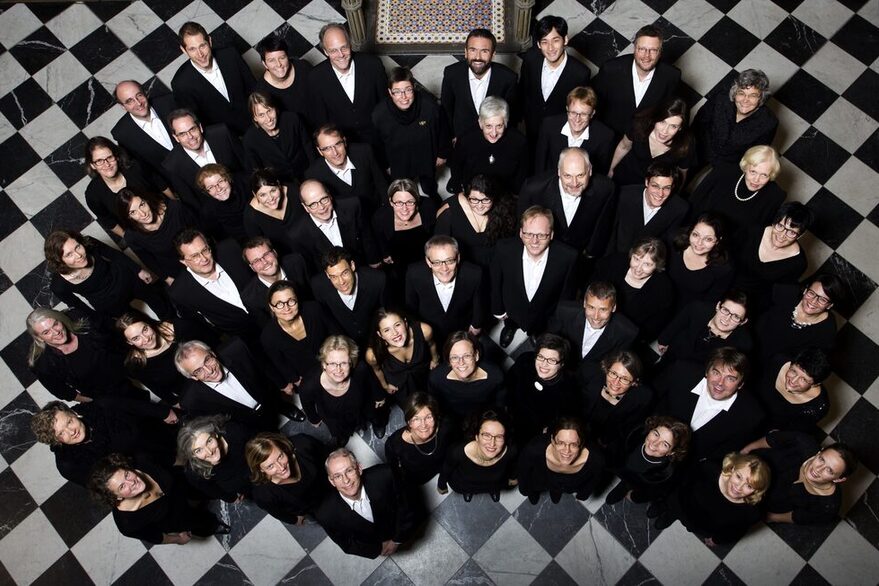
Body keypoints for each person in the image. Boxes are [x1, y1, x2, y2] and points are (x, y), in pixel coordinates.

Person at [89, 453, 228, 544]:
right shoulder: (127, 523)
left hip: (179, 487)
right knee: (200, 522)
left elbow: (173, 460)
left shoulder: (141, 459)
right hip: (175, 517)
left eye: (126, 475)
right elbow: (155, 536)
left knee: (203, 491)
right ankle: (211, 525)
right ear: (116, 497)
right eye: (122, 487)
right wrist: (178, 539)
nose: (132, 482)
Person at [26, 308, 155, 405]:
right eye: (46, 332)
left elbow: (110, 327)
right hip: (107, 390)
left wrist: (134, 349)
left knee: (156, 380)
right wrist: (96, 400)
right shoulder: (43, 364)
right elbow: (62, 391)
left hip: (124, 361)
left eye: (55, 324)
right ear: (39, 338)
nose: (56, 332)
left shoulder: (78, 317)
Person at [31, 400, 175, 487]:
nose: (71, 431)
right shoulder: (69, 465)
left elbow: (134, 406)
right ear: (56, 441)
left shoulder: (100, 407)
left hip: (160, 440)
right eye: (61, 433)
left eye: (69, 422)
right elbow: (103, 487)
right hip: (144, 477)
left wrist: (165, 413)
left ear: (74, 413)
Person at [491, 205, 578, 347]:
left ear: (551, 235)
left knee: (539, 328)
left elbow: (567, 294)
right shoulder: (504, 249)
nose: (534, 241)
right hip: (512, 309)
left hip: (544, 314)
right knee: (511, 321)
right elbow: (496, 282)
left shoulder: (568, 257)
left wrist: (556, 322)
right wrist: (498, 310)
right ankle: (510, 327)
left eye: (541, 235)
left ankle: (536, 333)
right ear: (520, 233)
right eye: (528, 234)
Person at [314, 448, 425, 558]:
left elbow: (408, 506)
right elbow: (348, 545)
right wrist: (378, 549)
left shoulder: (386, 475)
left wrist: (397, 540)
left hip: (397, 529)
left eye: (349, 471)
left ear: (359, 468)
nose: (346, 480)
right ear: (331, 481)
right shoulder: (325, 514)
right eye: (337, 476)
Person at [659, 348, 764, 461]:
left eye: (730, 378)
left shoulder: (750, 416)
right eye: (716, 372)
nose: (720, 383)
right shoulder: (681, 372)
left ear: (740, 384)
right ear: (707, 371)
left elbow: (721, 455)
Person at [45, 229, 172, 320]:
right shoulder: (58, 285)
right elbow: (78, 305)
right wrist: (99, 319)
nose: (78, 255)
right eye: (69, 254)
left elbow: (114, 254)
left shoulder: (89, 242)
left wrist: (138, 270)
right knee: (136, 325)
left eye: (77, 247)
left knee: (160, 303)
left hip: (126, 279)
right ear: (59, 260)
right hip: (109, 303)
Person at [175, 338, 306, 427]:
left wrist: (282, 384)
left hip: (266, 395)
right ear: (193, 377)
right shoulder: (191, 401)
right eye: (198, 371)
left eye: (207, 360)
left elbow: (265, 365)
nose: (209, 371)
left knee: (273, 400)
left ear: (213, 353)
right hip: (247, 422)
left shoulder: (238, 348)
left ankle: (284, 407)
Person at [653, 452, 770, 546]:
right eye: (739, 476)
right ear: (732, 468)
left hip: (700, 525)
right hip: (682, 502)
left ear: (756, 491)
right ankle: (668, 511)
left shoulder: (751, 513)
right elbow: (685, 482)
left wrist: (716, 540)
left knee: (691, 524)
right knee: (674, 505)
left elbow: (734, 532)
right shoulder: (709, 469)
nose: (739, 487)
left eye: (749, 486)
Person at [518, 147, 616, 258]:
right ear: (559, 172)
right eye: (568, 176)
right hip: (543, 253)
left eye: (580, 175)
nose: (574, 183)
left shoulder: (605, 189)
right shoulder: (533, 189)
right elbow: (522, 226)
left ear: (590, 171)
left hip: (580, 257)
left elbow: (602, 226)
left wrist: (590, 253)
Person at [371, 67, 451, 201]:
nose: (403, 97)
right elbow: (377, 143)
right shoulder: (379, 114)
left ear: (414, 88)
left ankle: (430, 190)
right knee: (405, 189)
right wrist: (385, 165)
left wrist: (442, 154)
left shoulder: (430, 107)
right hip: (398, 159)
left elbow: (443, 131)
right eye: (397, 92)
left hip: (425, 154)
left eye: (408, 90)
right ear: (390, 92)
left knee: (428, 182)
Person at [744, 432, 857, 526]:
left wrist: (769, 516)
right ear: (819, 452)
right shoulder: (803, 441)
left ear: (839, 479)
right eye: (822, 459)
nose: (818, 469)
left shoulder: (828, 506)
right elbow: (771, 439)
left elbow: (797, 517)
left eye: (829, 470)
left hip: (761, 505)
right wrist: (745, 451)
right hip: (748, 471)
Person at [167, 229, 258, 340]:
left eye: (205, 250)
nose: (204, 259)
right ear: (184, 262)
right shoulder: (180, 292)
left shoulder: (231, 249)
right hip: (243, 341)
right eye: (195, 256)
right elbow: (201, 326)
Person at [592, 25, 681, 138]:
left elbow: (671, 112)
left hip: (644, 138)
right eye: (642, 49)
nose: (646, 56)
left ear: (660, 52)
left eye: (653, 50)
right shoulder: (610, 69)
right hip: (608, 134)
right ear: (634, 48)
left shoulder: (671, 76)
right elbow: (595, 105)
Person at [299, 335, 387, 446]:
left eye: (344, 363)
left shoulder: (360, 368)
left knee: (374, 413)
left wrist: (379, 396)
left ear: (351, 362)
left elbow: (371, 380)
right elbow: (307, 404)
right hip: (335, 416)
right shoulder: (309, 385)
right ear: (323, 364)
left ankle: (378, 423)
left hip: (362, 404)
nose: (338, 369)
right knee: (340, 430)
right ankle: (342, 435)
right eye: (332, 363)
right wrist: (314, 419)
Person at [171, 21, 255, 135]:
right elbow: (197, 124)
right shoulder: (180, 83)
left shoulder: (231, 55)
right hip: (227, 140)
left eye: (202, 45)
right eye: (192, 49)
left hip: (256, 123)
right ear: (184, 50)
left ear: (210, 41)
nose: (200, 54)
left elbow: (253, 88)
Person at [308, 23, 388, 144]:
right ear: (325, 52)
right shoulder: (315, 78)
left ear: (350, 44)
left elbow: (385, 103)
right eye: (333, 50)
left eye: (344, 47)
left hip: (377, 139)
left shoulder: (373, 65)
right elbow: (321, 120)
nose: (341, 55)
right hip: (344, 146)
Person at [518, 16, 591, 142]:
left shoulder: (580, 73)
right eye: (544, 42)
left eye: (555, 40)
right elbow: (523, 89)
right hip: (531, 129)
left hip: (559, 134)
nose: (550, 48)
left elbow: (580, 109)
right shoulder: (531, 59)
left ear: (565, 40)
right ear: (538, 44)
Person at [690, 145, 786, 242]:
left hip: (729, 247)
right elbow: (695, 201)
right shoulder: (724, 170)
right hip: (695, 233)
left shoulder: (775, 196)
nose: (756, 179)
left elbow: (756, 235)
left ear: (771, 175)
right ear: (745, 167)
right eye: (753, 171)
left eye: (764, 175)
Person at [549, 281, 639, 384]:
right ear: (584, 303)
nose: (596, 317)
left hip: (592, 379)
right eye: (591, 307)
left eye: (603, 309)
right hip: (558, 368)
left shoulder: (627, 332)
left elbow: (614, 366)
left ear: (613, 308)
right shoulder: (564, 311)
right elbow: (549, 343)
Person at [83, 136, 170, 241]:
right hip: (143, 236)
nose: (106, 164)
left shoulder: (135, 169)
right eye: (99, 161)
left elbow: (160, 183)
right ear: (92, 165)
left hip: (165, 217)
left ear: (117, 157)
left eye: (109, 157)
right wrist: (129, 237)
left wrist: (174, 204)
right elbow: (107, 220)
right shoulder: (93, 194)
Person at [117, 310, 210, 408]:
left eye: (145, 329)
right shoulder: (136, 364)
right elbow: (159, 390)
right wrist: (179, 404)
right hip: (195, 396)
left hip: (214, 374)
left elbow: (215, 344)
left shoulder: (180, 328)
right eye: (136, 338)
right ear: (129, 342)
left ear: (149, 323)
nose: (146, 339)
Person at [261, 280, 340, 394]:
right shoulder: (268, 336)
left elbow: (337, 334)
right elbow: (280, 363)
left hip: (335, 362)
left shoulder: (314, 309)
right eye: (279, 304)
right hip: (309, 377)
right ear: (271, 307)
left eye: (291, 301)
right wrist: (296, 379)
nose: (286, 308)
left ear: (297, 300)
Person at [404, 235, 485, 346]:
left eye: (450, 261)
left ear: (458, 258)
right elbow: (411, 306)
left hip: (461, 328)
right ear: (428, 261)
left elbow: (479, 302)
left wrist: (476, 324)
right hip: (429, 331)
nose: (444, 268)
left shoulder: (474, 274)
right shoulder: (414, 274)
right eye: (436, 262)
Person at [441, 28, 518, 141]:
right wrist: (451, 137)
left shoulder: (508, 78)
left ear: (493, 54)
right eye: (473, 50)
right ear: (466, 52)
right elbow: (446, 110)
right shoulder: (451, 73)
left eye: (484, 51)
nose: (478, 57)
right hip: (461, 141)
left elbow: (512, 118)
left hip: (493, 141)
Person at [593, 237, 675, 341]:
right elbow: (590, 290)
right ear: (631, 255)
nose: (638, 268)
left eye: (647, 264)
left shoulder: (663, 288)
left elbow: (653, 327)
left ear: (657, 266)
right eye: (636, 259)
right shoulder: (614, 262)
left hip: (625, 338)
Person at [733, 202, 811, 311]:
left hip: (752, 304)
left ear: (800, 235)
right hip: (724, 283)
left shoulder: (798, 263)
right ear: (774, 222)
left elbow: (775, 294)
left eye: (792, 232)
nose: (782, 235)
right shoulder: (752, 231)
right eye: (780, 226)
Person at [693, 69, 778, 169]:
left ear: (761, 98)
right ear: (734, 93)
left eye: (753, 95)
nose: (745, 100)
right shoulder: (720, 98)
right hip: (702, 148)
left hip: (731, 164)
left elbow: (755, 154)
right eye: (741, 93)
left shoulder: (769, 123)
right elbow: (700, 121)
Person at [161, 108, 246, 206]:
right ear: (176, 138)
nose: (190, 136)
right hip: (216, 214)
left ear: (200, 127)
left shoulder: (222, 133)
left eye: (192, 129)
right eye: (182, 134)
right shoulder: (172, 165)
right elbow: (191, 202)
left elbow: (247, 165)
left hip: (245, 195)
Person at [505, 333, 581, 443]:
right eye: (541, 357)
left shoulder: (569, 391)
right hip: (509, 414)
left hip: (532, 432)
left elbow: (561, 423)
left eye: (552, 360)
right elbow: (508, 384)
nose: (544, 364)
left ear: (562, 364)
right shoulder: (525, 361)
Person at [292, 179, 381, 271]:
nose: (321, 207)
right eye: (313, 204)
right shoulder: (298, 234)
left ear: (330, 196)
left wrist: (374, 260)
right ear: (305, 207)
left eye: (324, 199)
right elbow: (312, 267)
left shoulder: (352, 206)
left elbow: (366, 235)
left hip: (362, 266)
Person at [448, 96, 528, 195]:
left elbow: (521, 178)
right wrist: (460, 195)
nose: (494, 133)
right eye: (488, 126)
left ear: (506, 123)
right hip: (473, 196)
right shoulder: (466, 140)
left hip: (505, 196)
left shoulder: (519, 142)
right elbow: (456, 170)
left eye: (499, 126)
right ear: (480, 123)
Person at [245, 432, 331, 525]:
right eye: (270, 466)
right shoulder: (263, 495)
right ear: (260, 469)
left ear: (283, 448)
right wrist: (293, 520)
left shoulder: (303, 443)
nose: (281, 468)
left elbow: (328, 456)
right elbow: (277, 512)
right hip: (311, 509)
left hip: (329, 485)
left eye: (280, 456)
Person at [656, 291, 753, 372]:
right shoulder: (697, 309)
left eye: (736, 317)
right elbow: (675, 326)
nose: (727, 318)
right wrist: (664, 341)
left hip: (697, 376)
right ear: (718, 306)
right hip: (672, 358)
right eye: (725, 310)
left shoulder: (742, 344)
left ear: (743, 321)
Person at [582, 351, 653, 462]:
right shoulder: (591, 377)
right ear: (606, 370)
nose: (616, 382)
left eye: (624, 379)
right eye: (613, 373)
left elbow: (625, 433)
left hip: (604, 447)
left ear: (634, 382)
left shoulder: (641, 398)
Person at [118, 188, 199, 284]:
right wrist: (168, 279)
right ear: (129, 217)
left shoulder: (175, 209)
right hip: (178, 274)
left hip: (200, 257)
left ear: (147, 200)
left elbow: (200, 230)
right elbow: (149, 261)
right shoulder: (132, 237)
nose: (142, 214)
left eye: (142, 205)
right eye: (133, 212)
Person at [608, 97, 695, 186]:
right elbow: (624, 146)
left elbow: (682, 173)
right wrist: (611, 169)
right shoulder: (639, 125)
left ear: (680, 128)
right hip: (622, 176)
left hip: (651, 190)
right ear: (656, 118)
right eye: (662, 122)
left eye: (673, 126)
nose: (664, 131)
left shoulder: (685, 144)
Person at [605, 415, 690, 506]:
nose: (654, 444)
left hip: (633, 481)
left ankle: (624, 486)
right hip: (620, 465)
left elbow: (650, 493)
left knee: (628, 483)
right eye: (656, 434)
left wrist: (635, 497)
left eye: (665, 444)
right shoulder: (634, 434)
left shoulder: (663, 474)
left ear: (671, 452)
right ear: (651, 429)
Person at [435, 174, 517, 268]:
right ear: (466, 196)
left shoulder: (504, 209)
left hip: (497, 266)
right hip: (465, 270)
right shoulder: (448, 214)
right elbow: (438, 249)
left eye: (486, 199)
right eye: (474, 199)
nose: (480, 205)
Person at [310, 247, 387, 347]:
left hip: (376, 339)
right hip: (344, 345)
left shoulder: (376, 279)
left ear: (352, 265)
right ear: (327, 275)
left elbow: (390, 314)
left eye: (344, 273)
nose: (341, 282)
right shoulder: (318, 287)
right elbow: (326, 320)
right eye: (334, 277)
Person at [754, 275, 841, 363]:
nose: (813, 301)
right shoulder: (787, 293)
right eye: (811, 293)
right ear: (805, 290)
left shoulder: (827, 330)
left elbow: (809, 362)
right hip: (749, 345)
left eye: (822, 300)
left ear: (830, 305)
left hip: (775, 368)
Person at [517, 417, 604, 504]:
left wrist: (583, 495)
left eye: (573, 444)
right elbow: (523, 472)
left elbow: (592, 482)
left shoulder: (596, 460)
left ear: (581, 444)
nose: (567, 451)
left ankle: (555, 495)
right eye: (561, 443)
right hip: (538, 481)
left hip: (564, 487)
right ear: (552, 440)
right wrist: (524, 490)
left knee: (556, 494)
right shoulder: (534, 449)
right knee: (533, 494)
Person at [371, 178, 438, 291]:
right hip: (398, 265)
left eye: (410, 202)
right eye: (398, 203)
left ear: (417, 200)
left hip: (427, 261)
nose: (404, 208)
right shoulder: (380, 217)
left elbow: (438, 235)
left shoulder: (428, 207)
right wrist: (385, 253)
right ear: (391, 202)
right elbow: (378, 239)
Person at [304, 124, 389, 213]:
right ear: (319, 151)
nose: (335, 153)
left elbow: (382, 185)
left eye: (337, 144)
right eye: (327, 148)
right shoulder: (313, 174)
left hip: (378, 212)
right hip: (348, 223)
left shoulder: (364, 152)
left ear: (344, 142)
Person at [608, 162, 688, 254]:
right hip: (613, 255)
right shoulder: (624, 196)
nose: (660, 194)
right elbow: (610, 230)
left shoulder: (679, 208)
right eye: (655, 186)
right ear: (647, 182)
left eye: (666, 188)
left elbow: (666, 244)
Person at [438, 409, 518, 502]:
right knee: (466, 487)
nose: (492, 444)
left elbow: (514, 465)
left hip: (495, 483)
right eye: (486, 435)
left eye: (499, 437)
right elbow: (446, 469)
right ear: (476, 436)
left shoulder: (511, 450)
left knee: (496, 485)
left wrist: (513, 477)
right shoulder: (457, 452)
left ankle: (493, 490)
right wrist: (441, 485)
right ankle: (468, 491)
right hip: (466, 485)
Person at [365, 308, 439, 407]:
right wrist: (385, 386)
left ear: (405, 323)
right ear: (380, 334)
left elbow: (431, 344)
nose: (395, 333)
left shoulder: (424, 331)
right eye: (387, 330)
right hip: (401, 388)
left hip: (425, 377)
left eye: (397, 325)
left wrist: (435, 359)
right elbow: (377, 370)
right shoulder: (373, 355)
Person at [427, 331, 505, 422]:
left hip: (482, 419)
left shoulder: (495, 376)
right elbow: (434, 406)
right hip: (451, 420)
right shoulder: (436, 378)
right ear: (449, 360)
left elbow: (500, 406)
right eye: (455, 357)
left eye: (467, 356)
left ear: (476, 356)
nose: (461, 362)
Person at [534, 86, 615, 175]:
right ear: (567, 109)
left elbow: (600, 174)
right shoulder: (549, 125)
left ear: (592, 114)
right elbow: (540, 164)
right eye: (573, 113)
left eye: (583, 114)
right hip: (551, 183)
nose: (577, 119)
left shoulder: (605, 136)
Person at [176, 415, 255, 502]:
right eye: (198, 450)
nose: (209, 452)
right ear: (193, 455)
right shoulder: (195, 472)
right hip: (251, 492)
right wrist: (231, 498)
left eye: (209, 441)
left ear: (215, 434)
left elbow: (264, 445)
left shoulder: (235, 432)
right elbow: (212, 490)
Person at [112, 80, 176, 183]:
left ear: (145, 93)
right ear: (123, 107)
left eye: (139, 95)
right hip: (176, 183)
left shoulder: (169, 102)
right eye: (129, 101)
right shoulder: (122, 134)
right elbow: (145, 168)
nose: (138, 103)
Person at [384, 393, 455, 486]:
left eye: (428, 417)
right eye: (416, 419)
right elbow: (393, 468)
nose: (423, 425)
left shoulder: (446, 427)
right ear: (408, 422)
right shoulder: (394, 444)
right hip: (417, 478)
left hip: (440, 467)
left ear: (435, 416)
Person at [666, 213, 734, 310]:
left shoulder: (723, 268)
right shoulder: (672, 241)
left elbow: (708, 304)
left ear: (718, 241)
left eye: (708, 239)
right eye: (696, 235)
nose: (699, 243)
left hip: (684, 314)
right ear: (690, 231)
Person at [755, 348, 831, 434]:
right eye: (793, 371)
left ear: (815, 384)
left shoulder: (817, 407)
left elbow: (790, 434)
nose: (793, 381)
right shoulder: (776, 361)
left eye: (804, 379)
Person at [242, 91, 311, 182]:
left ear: (275, 108)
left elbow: (309, 148)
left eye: (269, 110)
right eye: (261, 115)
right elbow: (257, 172)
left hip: (308, 174)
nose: (268, 119)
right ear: (255, 118)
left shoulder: (292, 119)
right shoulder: (250, 139)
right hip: (279, 185)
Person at [240, 237, 310, 321]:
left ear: (275, 252)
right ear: (252, 267)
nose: (264, 262)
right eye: (256, 261)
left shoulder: (297, 262)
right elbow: (268, 327)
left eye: (266, 254)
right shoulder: (250, 298)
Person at [243, 167, 302, 255]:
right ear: (255, 195)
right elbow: (260, 249)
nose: (270, 198)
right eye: (263, 195)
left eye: (273, 190)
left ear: (278, 185)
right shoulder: (251, 216)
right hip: (286, 259)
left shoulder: (295, 191)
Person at [254, 35, 312, 122]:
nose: (278, 64)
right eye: (271, 60)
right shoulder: (261, 90)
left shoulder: (303, 67)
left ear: (287, 57)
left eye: (282, 58)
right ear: (265, 64)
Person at [195, 164, 249, 242]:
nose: (218, 189)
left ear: (228, 179)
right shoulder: (208, 212)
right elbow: (222, 238)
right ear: (207, 192)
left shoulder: (246, 185)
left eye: (220, 181)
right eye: (210, 187)